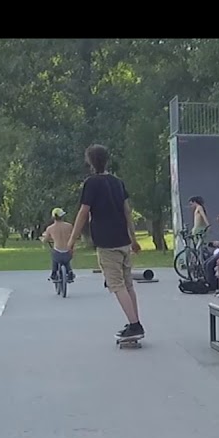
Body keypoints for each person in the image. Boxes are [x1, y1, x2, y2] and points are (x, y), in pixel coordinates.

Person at [67, 144, 144, 340]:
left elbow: (83, 213)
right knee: (128, 285)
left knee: (116, 285)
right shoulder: (118, 182)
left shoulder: (91, 183)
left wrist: (71, 241)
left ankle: (134, 325)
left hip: (106, 242)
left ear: (90, 162)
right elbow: (127, 211)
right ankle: (135, 321)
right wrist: (134, 239)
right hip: (124, 241)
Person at [41, 207, 77, 283]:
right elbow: (73, 236)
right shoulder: (69, 226)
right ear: (62, 216)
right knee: (67, 262)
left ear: (53, 217)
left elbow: (46, 240)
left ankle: (54, 274)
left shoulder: (50, 228)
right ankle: (70, 272)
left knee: (54, 258)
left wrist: (42, 239)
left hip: (57, 252)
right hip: (68, 251)